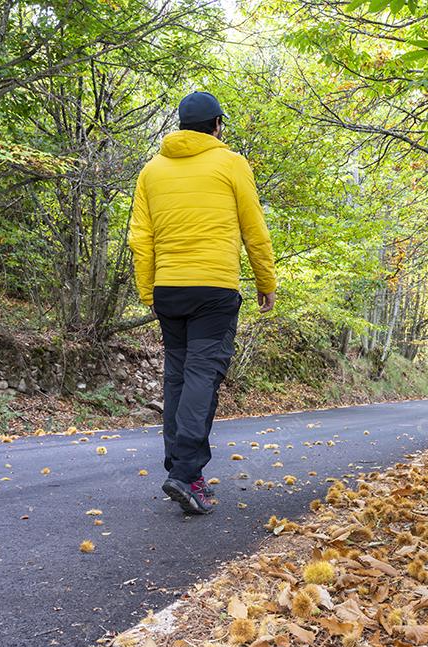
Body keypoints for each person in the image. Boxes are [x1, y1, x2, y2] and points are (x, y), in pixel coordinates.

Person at [128, 91, 276, 515]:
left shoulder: (151, 171)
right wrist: (265, 280)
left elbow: (141, 238)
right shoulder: (231, 163)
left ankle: (183, 470)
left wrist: (148, 292)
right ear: (217, 125)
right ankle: (185, 471)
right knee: (201, 377)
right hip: (214, 289)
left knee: (176, 377)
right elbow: (254, 229)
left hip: (168, 288)